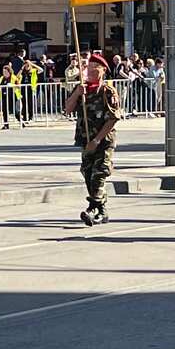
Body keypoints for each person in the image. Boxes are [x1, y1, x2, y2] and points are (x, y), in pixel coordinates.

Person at [63, 52, 122, 226]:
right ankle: (102, 211)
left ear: (102, 70)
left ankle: (92, 208)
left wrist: (96, 140)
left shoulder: (107, 91)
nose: (88, 71)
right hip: (85, 139)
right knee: (87, 173)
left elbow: (113, 118)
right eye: (87, 67)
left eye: (93, 68)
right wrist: (77, 94)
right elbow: (67, 109)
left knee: (99, 174)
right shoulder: (82, 88)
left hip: (103, 141)